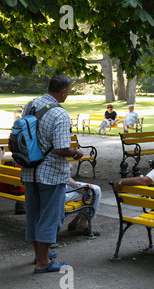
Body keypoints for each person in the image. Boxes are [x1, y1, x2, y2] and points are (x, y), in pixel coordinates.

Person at [22, 74, 83, 273]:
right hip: (51, 173)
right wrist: (76, 152)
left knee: (34, 215)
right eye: (69, 92)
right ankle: (44, 263)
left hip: (29, 169)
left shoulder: (30, 105)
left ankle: (40, 256)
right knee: (50, 217)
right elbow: (61, 149)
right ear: (63, 92)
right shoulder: (59, 114)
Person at [65, 164, 101, 236]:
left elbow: (64, 175)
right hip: (59, 193)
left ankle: (76, 222)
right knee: (94, 192)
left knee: (95, 189)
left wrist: (77, 186)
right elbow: (68, 168)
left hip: (64, 185)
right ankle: (82, 224)